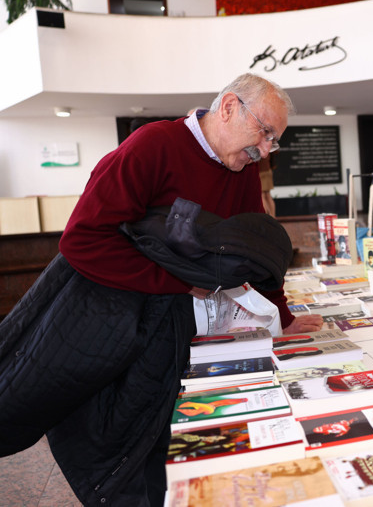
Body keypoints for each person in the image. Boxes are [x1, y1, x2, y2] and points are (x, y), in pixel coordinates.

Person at [0, 73, 322, 505]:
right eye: (264, 133)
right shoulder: (152, 146)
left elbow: (256, 256)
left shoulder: (243, 168)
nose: (265, 150)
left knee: (165, 444)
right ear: (229, 107)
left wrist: (283, 318)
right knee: (118, 445)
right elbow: (82, 240)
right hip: (116, 326)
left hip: (179, 334)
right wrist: (178, 282)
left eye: (273, 141)